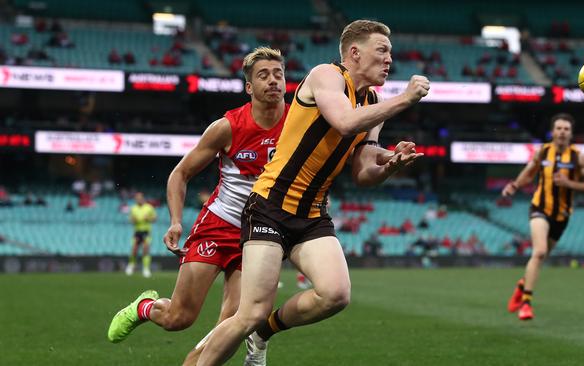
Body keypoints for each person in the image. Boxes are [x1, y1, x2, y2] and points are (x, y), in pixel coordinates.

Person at [195, 19, 429, 366]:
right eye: (382, 50)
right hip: (270, 205)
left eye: (390, 52)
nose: (389, 59)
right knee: (249, 312)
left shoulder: (372, 100)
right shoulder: (326, 76)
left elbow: (364, 171)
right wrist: (406, 98)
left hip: (313, 213)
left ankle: (265, 332)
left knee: (336, 294)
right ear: (354, 53)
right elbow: (346, 122)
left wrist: (390, 163)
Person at [106, 47, 289, 365]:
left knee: (232, 325)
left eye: (278, 74)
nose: (273, 80)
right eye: (263, 75)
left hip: (259, 234)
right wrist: (176, 221)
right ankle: (145, 308)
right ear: (249, 87)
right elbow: (180, 174)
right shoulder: (228, 127)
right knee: (179, 318)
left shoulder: (299, 122)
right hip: (219, 226)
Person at [502, 113, 584, 320]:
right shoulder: (543, 152)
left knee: (541, 257)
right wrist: (515, 186)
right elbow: (529, 172)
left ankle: (522, 285)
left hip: (562, 215)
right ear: (553, 131)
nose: (562, 132)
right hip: (540, 208)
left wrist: (569, 184)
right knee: (539, 252)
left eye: (566, 129)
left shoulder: (578, 157)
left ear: (571, 134)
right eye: (559, 128)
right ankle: (526, 303)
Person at [124, 192, 157, 277]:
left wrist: (148, 218)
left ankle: (146, 269)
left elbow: (154, 219)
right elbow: (131, 219)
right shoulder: (133, 208)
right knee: (134, 249)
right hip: (137, 231)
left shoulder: (149, 207)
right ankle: (131, 265)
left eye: (139, 198)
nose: (138, 199)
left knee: (145, 249)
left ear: (143, 198)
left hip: (146, 231)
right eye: (136, 198)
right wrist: (133, 220)